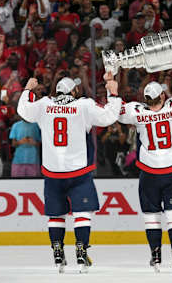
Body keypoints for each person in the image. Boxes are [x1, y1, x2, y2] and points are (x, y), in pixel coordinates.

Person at [17, 75, 121, 273]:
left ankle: (58, 252)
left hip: (53, 172)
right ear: (74, 91)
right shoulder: (84, 105)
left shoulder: (44, 104)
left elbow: (23, 110)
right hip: (78, 172)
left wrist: (28, 89)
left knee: (56, 214)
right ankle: (81, 250)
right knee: (82, 213)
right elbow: (109, 117)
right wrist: (113, 93)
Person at [117, 58, 172, 273]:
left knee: (151, 217)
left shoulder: (137, 112)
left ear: (145, 98)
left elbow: (115, 110)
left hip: (149, 172)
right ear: (163, 95)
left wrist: (112, 87)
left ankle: (155, 255)